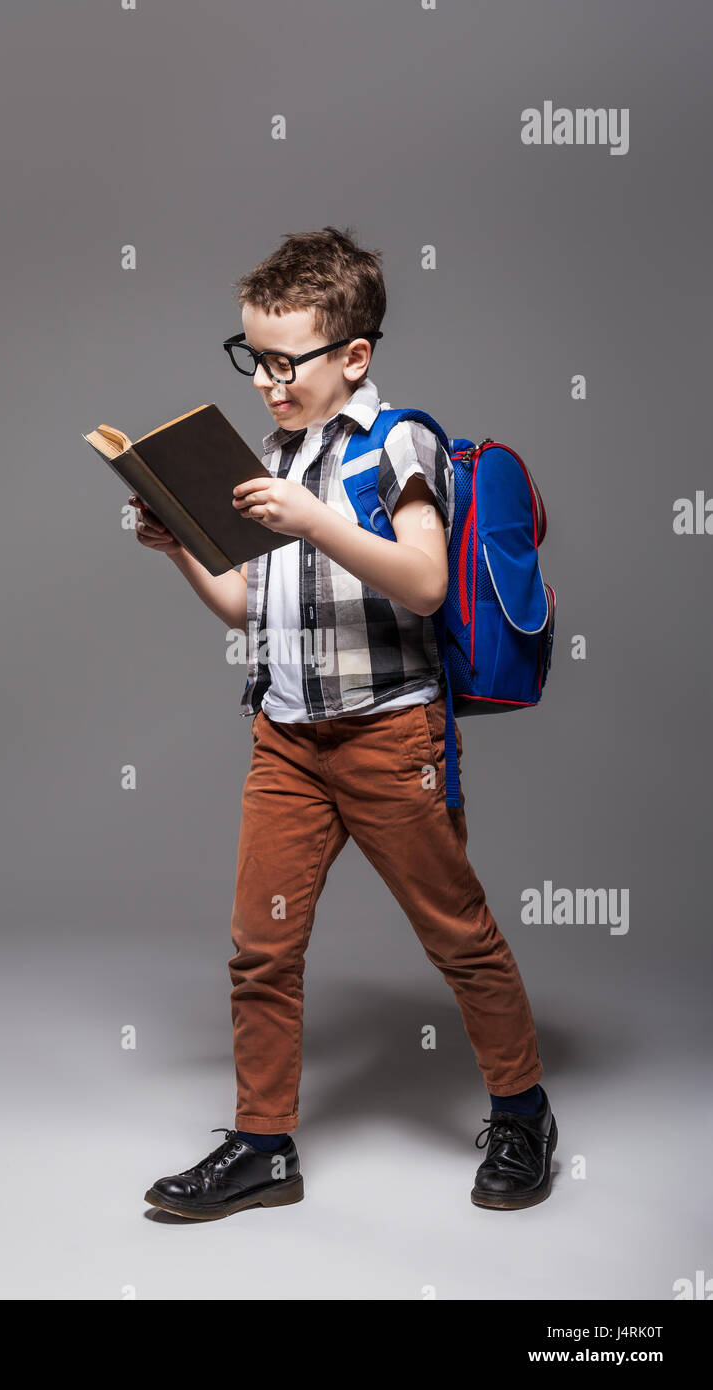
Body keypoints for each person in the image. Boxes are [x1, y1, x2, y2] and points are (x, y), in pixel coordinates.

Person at [135, 226, 557, 1221]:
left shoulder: (395, 440)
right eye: (254, 358)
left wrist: (309, 516)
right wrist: (176, 547)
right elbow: (246, 608)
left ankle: (521, 1108)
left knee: (455, 932)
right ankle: (261, 1143)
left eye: (285, 361)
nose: (266, 381)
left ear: (352, 356)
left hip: (386, 737)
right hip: (285, 739)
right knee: (260, 948)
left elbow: (419, 582)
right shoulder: (277, 456)